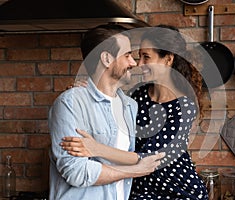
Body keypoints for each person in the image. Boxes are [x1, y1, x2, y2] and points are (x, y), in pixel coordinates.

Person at [61, 25, 208, 199]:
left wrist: (96, 149)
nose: (139, 64)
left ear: (168, 59)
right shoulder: (138, 96)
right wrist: (83, 92)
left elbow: (152, 157)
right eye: (138, 57)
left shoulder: (185, 105)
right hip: (138, 186)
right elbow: (110, 111)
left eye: (146, 57)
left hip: (176, 190)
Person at [48, 24, 165, 200]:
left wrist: (99, 150)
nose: (134, 63)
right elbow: (76, 172)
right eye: (127, 55)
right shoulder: (71, 103)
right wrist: (134, 171)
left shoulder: (130, 106)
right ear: (107, 59)